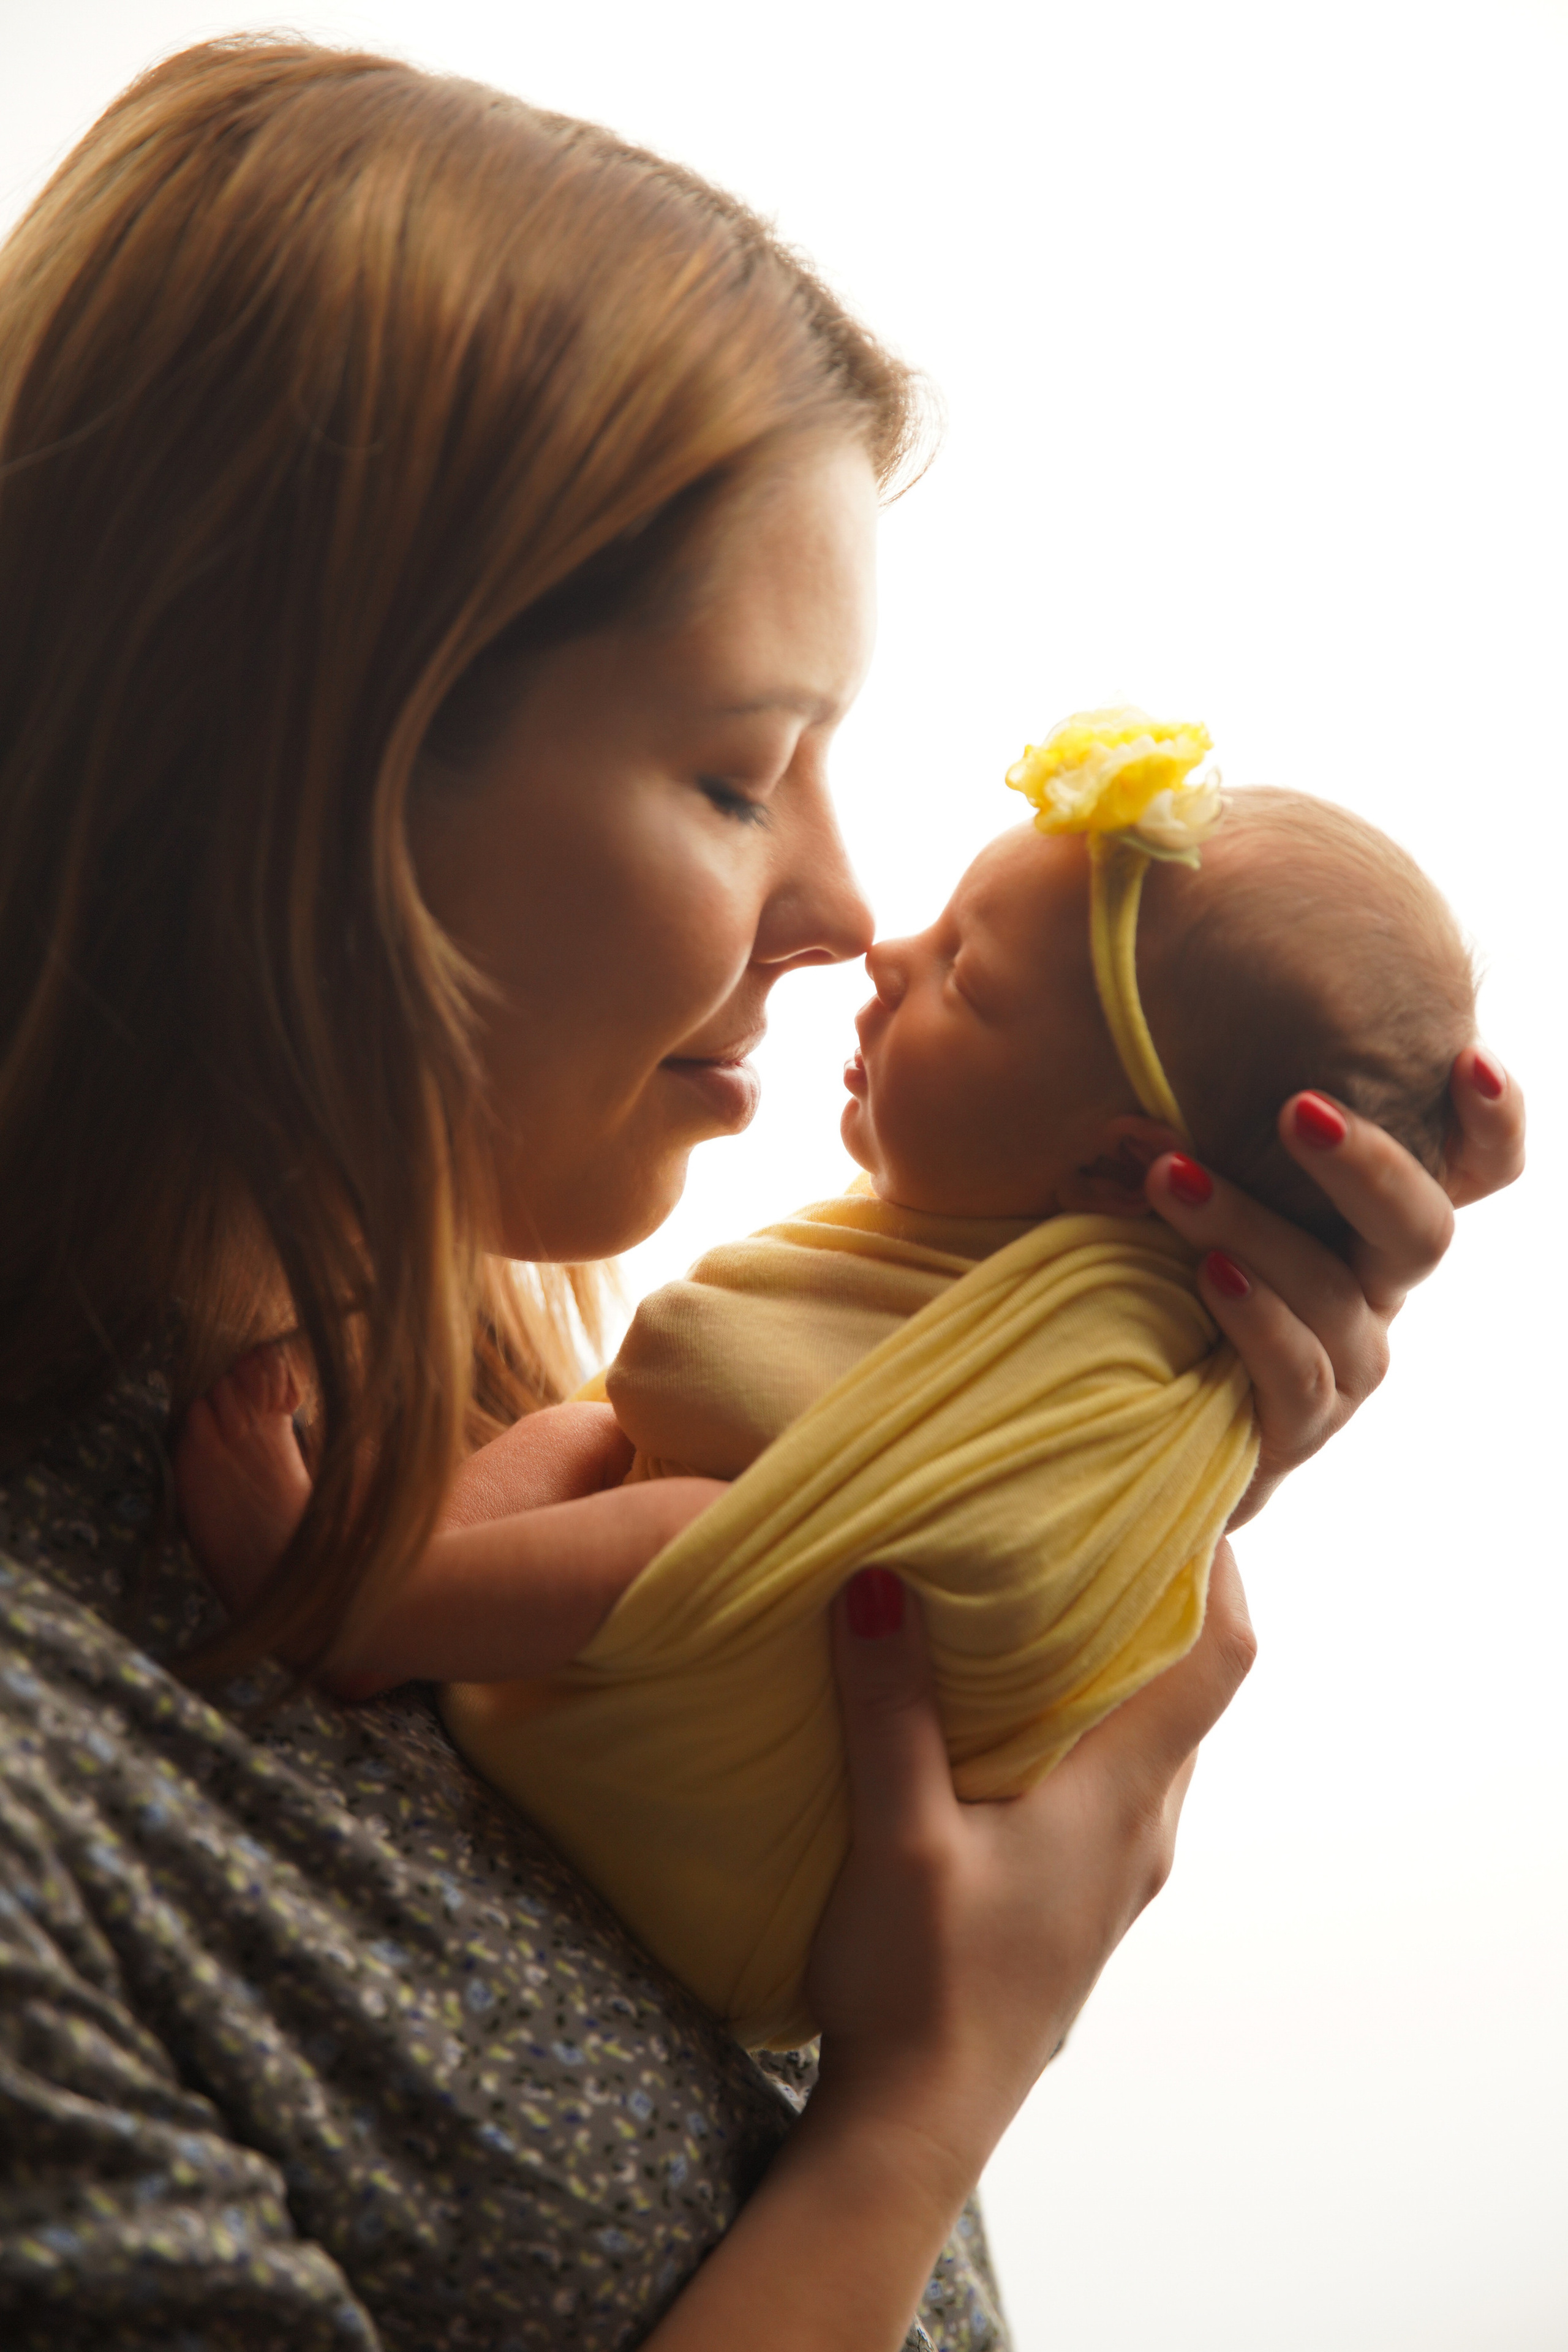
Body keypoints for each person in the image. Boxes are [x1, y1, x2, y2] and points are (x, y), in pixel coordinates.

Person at [0, 38, 1523, 2352]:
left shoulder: (473, 1398)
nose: (843, 906)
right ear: (299, 779)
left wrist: (1081, 1428)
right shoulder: (51, 1787)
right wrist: (925, 2104)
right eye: (736, 775)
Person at [173, 741, 1480, 2052]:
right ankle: (400, 1582)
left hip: (728, 1835)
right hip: (724, 1871)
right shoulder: (998, 1262)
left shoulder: (1118, 1342)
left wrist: (1205, 1466)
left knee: (683, 1512)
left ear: (1113, 1163)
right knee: (592, 1440)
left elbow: (933, 1531)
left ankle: (353, 1597)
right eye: (734, 775)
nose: (878, 946)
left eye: (964, 976)